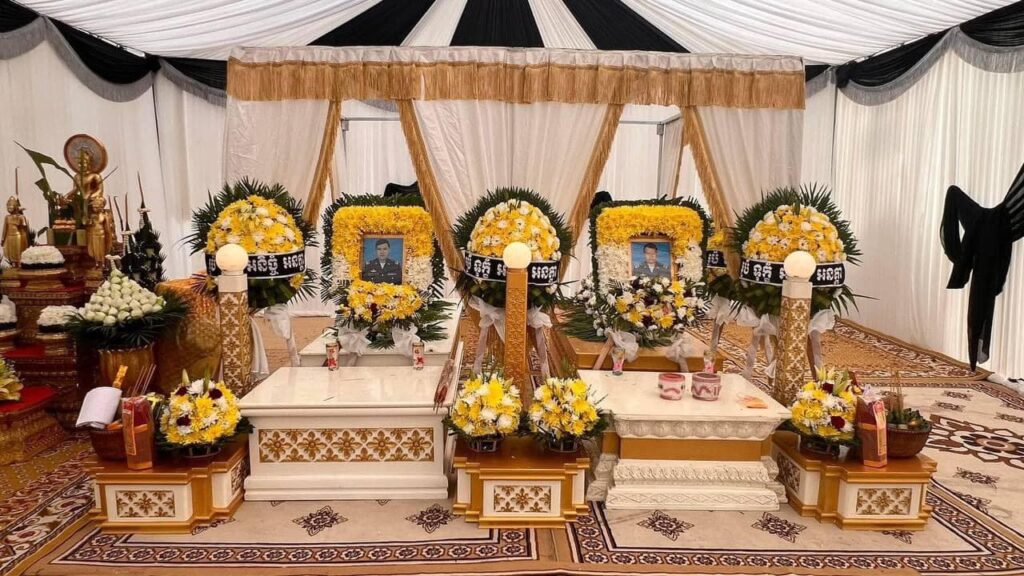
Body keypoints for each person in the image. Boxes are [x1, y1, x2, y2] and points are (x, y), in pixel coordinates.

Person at [2, 196, 29, 266]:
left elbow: (24, 228)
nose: (9, 207)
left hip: (17, 237)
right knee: (11, 254)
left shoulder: (20, 217)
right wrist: (3, 239)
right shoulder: (7, 217)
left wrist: (21, 217)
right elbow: (5, 229)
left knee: (18, 253)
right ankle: (13, 265)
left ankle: (19, 264)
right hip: (9, 237)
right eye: (8, 205)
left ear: (15, 206)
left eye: (11, 205)